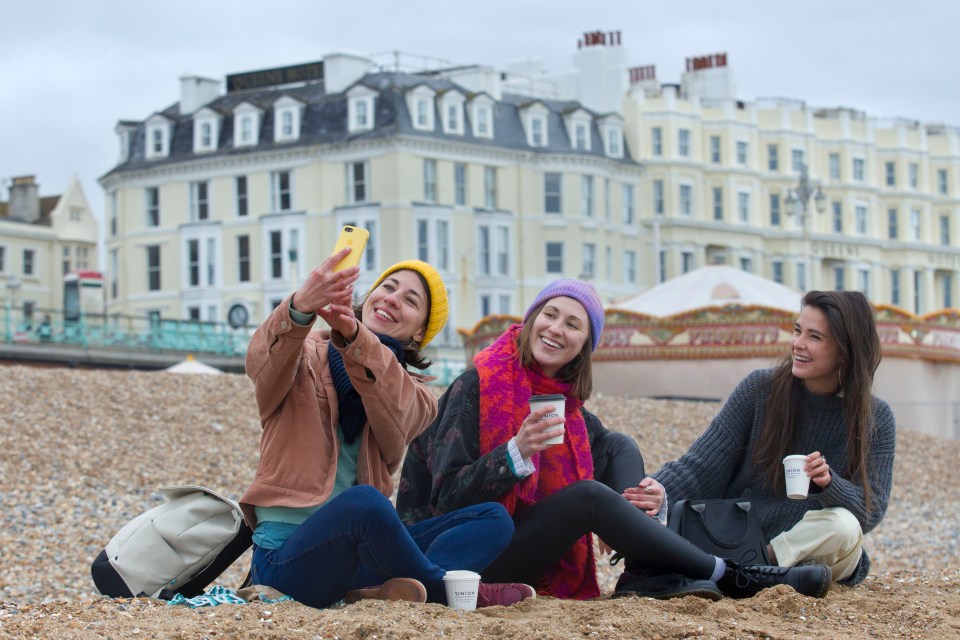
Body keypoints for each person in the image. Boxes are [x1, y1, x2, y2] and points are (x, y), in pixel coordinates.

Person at [397, 278, 832, 601]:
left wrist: (648, 504)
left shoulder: (567, 411)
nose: (555, 328)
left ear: (584, 346)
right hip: (453, 556)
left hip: (515, 547)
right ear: (531, 320)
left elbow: (614, 453)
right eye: (549, 314)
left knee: (618, 444)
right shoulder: (475, 385)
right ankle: (731, 574)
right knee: (588, 497)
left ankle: (643, 570)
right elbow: (447, 501)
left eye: (573, 324)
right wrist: (515, 453)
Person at [240, 249, 534, 609]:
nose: (392, 299)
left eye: (410, 300)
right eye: (388, 287)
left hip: (360, 556)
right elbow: (260, 362)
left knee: (494, 518)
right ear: (369, 296)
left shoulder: (418, 397)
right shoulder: (301, 356)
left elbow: (394, 409)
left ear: (420, 331)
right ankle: (444, 591)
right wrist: (299, 305)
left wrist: (354, 337)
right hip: (286, 560)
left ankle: (382, 590)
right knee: (365, 503)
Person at [653, 290, 895, 586]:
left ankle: (755, 569)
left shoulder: (876, 418)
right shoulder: (760, 389)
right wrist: (656, 492)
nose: (798, 344)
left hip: (813, 549)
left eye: (814, 337)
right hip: (738, 540)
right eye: (797, 331)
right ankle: (761, 572)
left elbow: (871, 511)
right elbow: (701, 465)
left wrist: (829, 484)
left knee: (844, 528)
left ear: (846, 350)